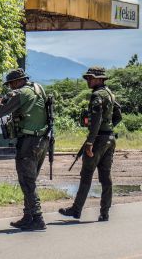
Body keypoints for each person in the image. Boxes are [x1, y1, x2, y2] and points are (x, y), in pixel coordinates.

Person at [0, 68, 48, 231]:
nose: (10, 88)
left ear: (16, 82)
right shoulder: (38, 89)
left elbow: (0, 111)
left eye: (10, 84)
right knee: (30, 180)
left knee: (27, 181)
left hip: (29, 142)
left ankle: (37, 218)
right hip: (43, 140)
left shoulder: (19, 94)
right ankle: (28, 216)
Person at [59, 67, 122, 222]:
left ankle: (76, 209)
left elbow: (96, 121)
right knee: (105, 177)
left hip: (98, 140)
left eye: (91, 78)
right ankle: (105, 212)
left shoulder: (96, 95)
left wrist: (90, 142)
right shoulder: (109, 94)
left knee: (86, 175)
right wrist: (108, 128)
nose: (88, 80)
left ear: (100, 79)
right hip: (109, 138)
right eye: (87, 78)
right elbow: (118, 114)